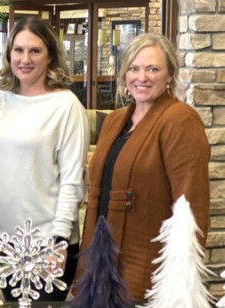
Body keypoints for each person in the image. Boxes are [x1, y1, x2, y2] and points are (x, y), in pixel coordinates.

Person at [77, 33, 210, 301]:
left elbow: (190, 204)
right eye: (134, 69)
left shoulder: (180, 119)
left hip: (146, 263)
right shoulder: (115, 120)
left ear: (170, 74)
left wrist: (178, 280)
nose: (142, 77)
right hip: (100, 260)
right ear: (125, 74)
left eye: (153, 69)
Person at [0, 17, 90, 301]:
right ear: (8, 55)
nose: (25, 59)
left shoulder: (66, 105)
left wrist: (60, 241)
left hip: (47, 239)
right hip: (3, 237)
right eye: (18, 50)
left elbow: (72, 180)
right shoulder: (1, 100)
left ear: (51, 55)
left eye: (35, 51)